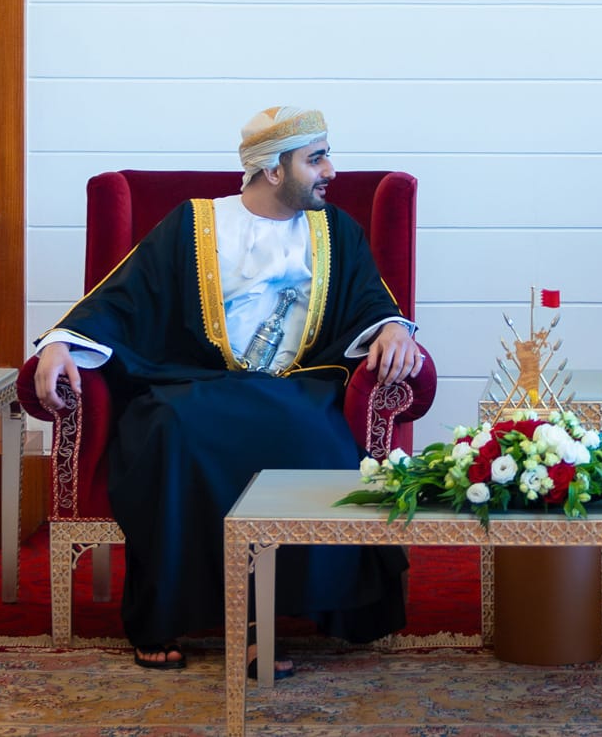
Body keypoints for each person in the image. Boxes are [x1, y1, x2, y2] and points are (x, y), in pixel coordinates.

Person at [32, 106, 424, 675]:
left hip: (296, 386)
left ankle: (263, 624)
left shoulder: (335, 230)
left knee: (306, 434)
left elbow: (372, 300)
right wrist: (60, 345)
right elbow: (121, 298)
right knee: (169, 432)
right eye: (315, 159)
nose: (330, 170)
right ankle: (162, 614)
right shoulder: (193, 224)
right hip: (196, 382)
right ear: (272, 170)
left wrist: (391, 328)